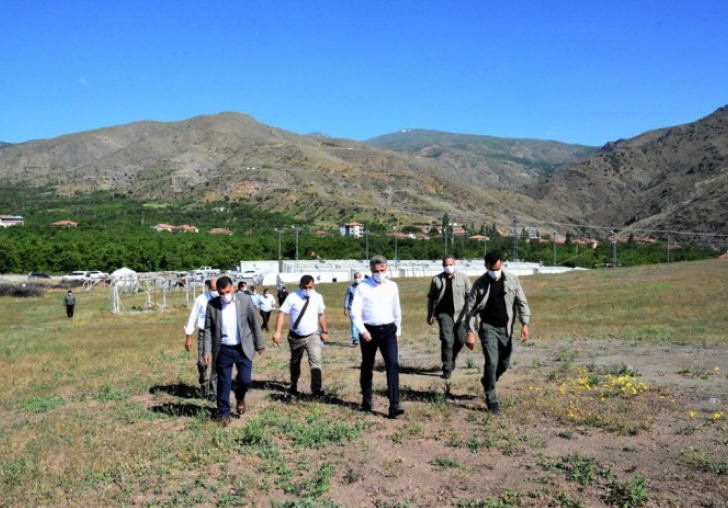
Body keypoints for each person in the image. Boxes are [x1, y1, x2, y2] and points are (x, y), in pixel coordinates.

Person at [464, 251, 531, 414]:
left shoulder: (512, 280)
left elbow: (522, 302)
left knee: (504, 363)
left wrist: (525, 323)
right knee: (492, 362)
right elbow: (470, 310)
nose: (495, 271)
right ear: (486, 266)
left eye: (498, 267)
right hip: (488, 327)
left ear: (501, 264)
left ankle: (487, 380)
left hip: (506, 328)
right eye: (492, 268)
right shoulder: (479, 284)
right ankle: (491, 399)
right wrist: (470, 332)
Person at [203, 276, 265, 427]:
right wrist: (207, 350)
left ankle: (240, 395)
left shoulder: (245, 300)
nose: (225, 295)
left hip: (243, 348)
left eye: (227, 291)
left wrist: (259, 343)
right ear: (217, 291)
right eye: (221, 293)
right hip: (223, 349)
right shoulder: (212, 305)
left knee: (245, 380)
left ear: (232, 288)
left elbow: (255, 323)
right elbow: (207, 329)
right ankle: (224, 413)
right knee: (223, 382)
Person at [351, 255, 405, 418]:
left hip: (389, 330)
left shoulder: (392, 286)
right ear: (371, 270)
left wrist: (398, 329)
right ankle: (367, 399)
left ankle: (394, 405)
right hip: (369, 331)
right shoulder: (363, 287)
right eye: (376, 271)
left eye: (382, 270)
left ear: (386, 269)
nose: (379, 273)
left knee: (393, 364)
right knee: (368, 365)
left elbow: (397, 309)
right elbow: (355, 311)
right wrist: (362, 330)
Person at [272, 275, 328, 397]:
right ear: (300, 285)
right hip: (296, 336)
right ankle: (294, 385)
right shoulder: (292, 297)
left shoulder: (317, 297)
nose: (308, 290)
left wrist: (325, 331)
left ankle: (316, 390)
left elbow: (321, 315)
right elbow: (282, 314)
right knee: (295, 362)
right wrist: (278, 332)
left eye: (310, 287)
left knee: (316, 361)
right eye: (305, 287)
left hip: (313, 335)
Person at [427, 255, 472, 379]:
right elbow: (431, 298)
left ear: (454, 264)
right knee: (447, 340)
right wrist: (430, 314)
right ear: (443, 266)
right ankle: (447, 368)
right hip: (443, 314)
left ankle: (451, 357)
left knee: (461, 340)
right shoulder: (436, 279)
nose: (448, 267)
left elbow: (471, 296)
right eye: (446, 265)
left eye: (450, 264)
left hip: (460, 314)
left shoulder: (463, 278)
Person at [184, 278, 218, 400]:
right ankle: (203, 379)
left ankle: (214, 391)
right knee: (202, 362)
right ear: (208, 286)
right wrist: (188, 337)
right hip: (204, 333)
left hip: (219, 333)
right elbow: (193, 317)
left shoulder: (224, 298)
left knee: (217, 363)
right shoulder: (201, 299)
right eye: (214, 286)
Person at [343, 272, 363, 347]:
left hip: (362, 309)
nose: (358, 279)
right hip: (352, 309)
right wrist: (345, 308)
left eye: (359, 277)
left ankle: (362, 337)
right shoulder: (350, 288)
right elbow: (347, 298)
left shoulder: (364, 287)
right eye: (356, 277)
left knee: (362, 324)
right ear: (354, 278)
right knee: (354, 324)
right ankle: (355, 339)